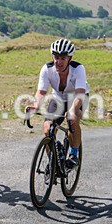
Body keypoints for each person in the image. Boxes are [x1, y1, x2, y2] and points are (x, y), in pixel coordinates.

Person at [26, 38, 89, 170]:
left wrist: (71, 110)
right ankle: (53, 162)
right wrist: (36, 105)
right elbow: (41, 92)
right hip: (58, 98)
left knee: (73, 118)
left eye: (63, 58)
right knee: (47, 128)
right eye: (56, 57)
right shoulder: (47, 69)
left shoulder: (78, 69)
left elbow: (80, 95)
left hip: (77, 97)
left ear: (69, 58)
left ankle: (73, 155)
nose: (58, 61)